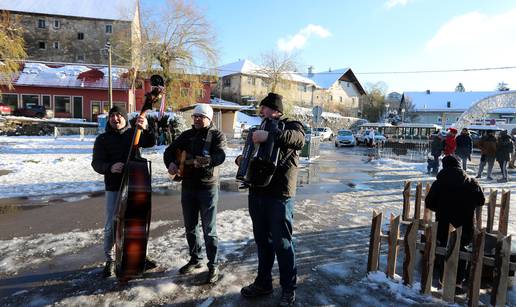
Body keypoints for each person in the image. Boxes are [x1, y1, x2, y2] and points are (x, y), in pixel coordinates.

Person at [236, 93, 305, 307]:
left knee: (283, 243)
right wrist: (243, 160)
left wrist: (270, 135)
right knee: (262, 243)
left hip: (279, 195)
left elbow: (298, 139)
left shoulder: (291, 125)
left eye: (264, 108)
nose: (260, 112)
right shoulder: (258, 129)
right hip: (257, 192)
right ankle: (263, 282)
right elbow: (253, 154)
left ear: (275, 110)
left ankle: (288, 288)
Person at [163, 104, 226, 284]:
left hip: (207, 188)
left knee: (209, 229)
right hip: (188, 187)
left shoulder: (217, 135)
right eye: (195, 116)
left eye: (201, 116)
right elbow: (169, 151)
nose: (197, 119)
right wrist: (171, 164)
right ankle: (195, 258)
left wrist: (208, 161)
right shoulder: (186, 135)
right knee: (190, 227)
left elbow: (220, 155)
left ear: (209, 118)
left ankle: (213, 264)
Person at [91, 105, 156, 278]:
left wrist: (146, 127)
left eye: (119, 115)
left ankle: (140, 255)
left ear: (125, 118)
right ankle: (110, 260)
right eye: (112, 116)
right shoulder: (102, 139)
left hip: (136, 186)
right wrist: (110, 167)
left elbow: (151, 142)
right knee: (112, 225)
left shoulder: (134, 134)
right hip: (114, 186)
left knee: (137, 223)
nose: (116, 118)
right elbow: (96, 163)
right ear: (109, 119)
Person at [425, 155, 485, 292]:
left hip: (443, 224)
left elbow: (429, 202)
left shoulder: (439, 183)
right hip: (465, 225)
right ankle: (458, 283)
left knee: (444, 248)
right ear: (459, 166)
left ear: (444, 166)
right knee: (462, 250)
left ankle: (442, 280)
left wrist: (441, 208)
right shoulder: (471, 182)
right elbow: (481, 200)